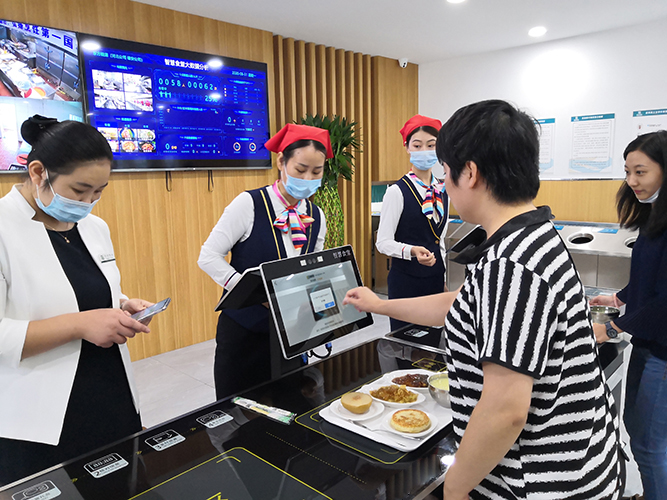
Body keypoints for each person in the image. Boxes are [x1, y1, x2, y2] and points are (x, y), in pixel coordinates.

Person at [344, 100, 623, 499]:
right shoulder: (533, 235)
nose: (444, 183)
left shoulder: (511, 265)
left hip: (539, 481)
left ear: (470, 173)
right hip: (576, 462)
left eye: (446, 171)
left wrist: (455, 488)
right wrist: (380, 305)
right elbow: (463, 302)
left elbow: (505, 411)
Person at [0, 115, 153, 486]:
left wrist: (122, 306)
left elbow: (84, 290)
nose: (88, 203)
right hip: (38, 416)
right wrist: (79, 324)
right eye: (80, 190)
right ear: (38, 172)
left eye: (98, 192)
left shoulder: (94, 227)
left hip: (110, 392)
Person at [198, 123, 330, 400]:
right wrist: (254, 291)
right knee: (240, 411)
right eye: (300, 169)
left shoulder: (317, 215)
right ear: (281, 162)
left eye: (316, 172)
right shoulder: (249, 204)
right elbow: (208, 256)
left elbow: (312, 269)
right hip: (244, 333)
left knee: (290, 407)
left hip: (291, 334)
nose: (308, 178)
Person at [591, 131, 667, 500]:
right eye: (627, 172)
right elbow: (648, 277)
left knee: (650, 445)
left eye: (641, 172)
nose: (632, 181)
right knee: (637, 428)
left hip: (663, 352)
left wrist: (613, 328)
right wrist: (619, 298)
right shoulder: (654, 215)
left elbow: (664, 299)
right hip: (648, 343)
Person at [376, 114, 449, 331]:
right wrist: (412, 251)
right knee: (405, 342)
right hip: (406, 283)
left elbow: (439, 241)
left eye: (431, 145)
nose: (424, 150)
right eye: (417, 145)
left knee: (433, 341)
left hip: (435, 281)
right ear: (407, 147)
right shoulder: (397, 192)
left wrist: (443, 279)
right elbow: (383, 242)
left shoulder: (443, 190)